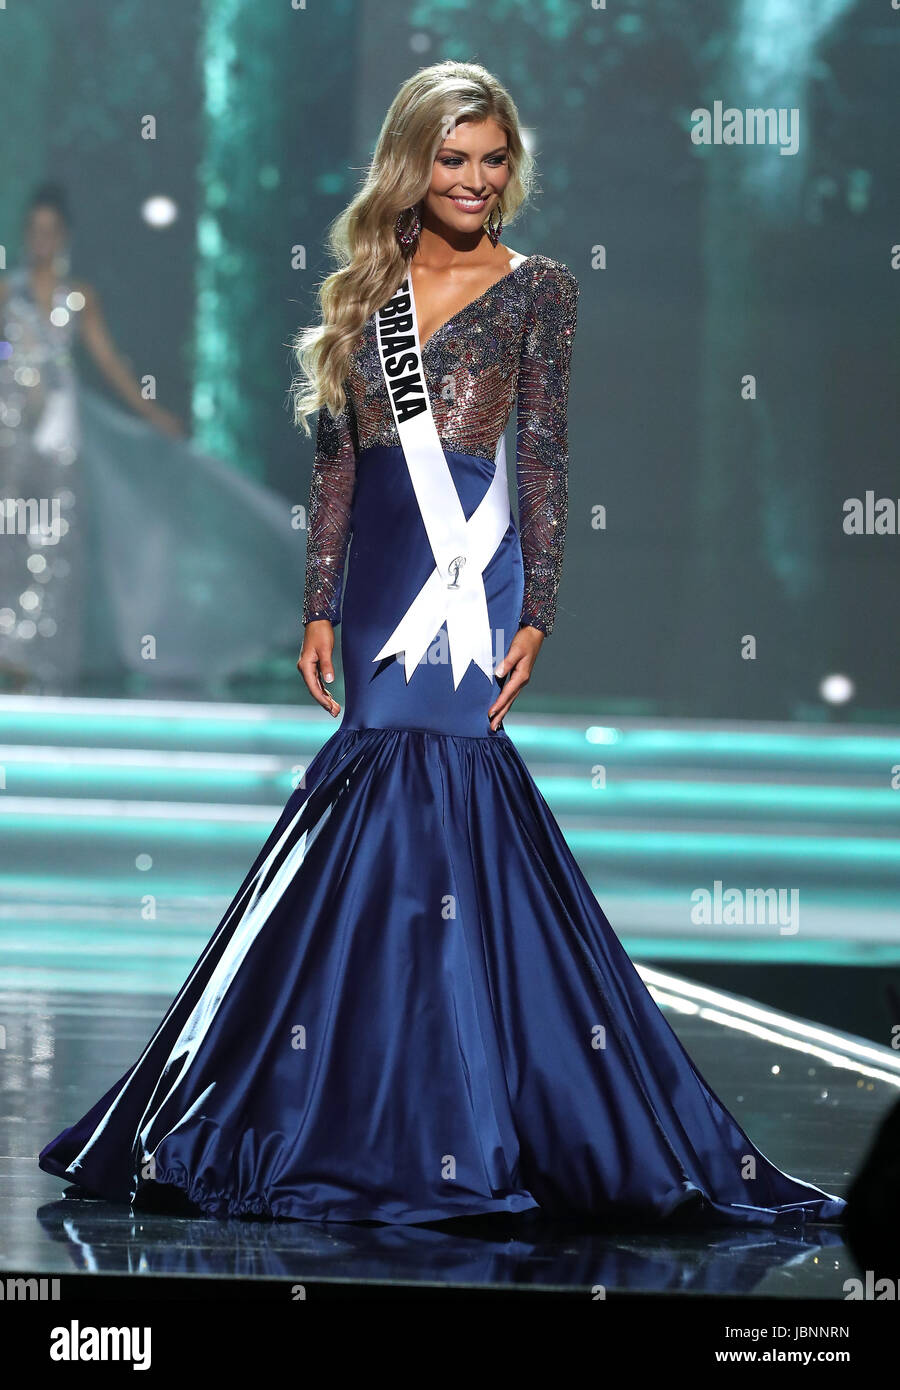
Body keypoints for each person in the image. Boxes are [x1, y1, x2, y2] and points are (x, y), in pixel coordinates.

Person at [39, 62, 846, 1227]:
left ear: (513, 165)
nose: (474, 180)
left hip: (472, 576)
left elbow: (551, 461)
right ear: (412, 166)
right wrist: (320, 604)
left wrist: (540, 611)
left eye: (493, 158)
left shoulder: (540, 291)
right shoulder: (365, 293)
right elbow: (335, 466)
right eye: (452, 158)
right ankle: (346, 1100)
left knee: (452, 806)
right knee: (367, 810)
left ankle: (466, 1119)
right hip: (379, 581)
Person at [0, 183, 300, 694]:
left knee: (56, 547)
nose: (42, 240)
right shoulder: (9, 291)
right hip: (11, 428)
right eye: (35, 231)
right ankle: (9, 649)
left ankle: (41, 659)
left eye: (52, 231)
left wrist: (151, 412)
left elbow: (109, 362)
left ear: (65, 236)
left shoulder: (79, 296)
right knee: (10, 535)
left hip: (61, 432)